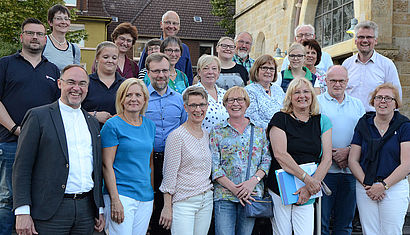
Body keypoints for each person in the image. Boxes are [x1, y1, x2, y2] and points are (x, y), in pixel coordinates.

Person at [12, 64, 104, 235]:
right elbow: (22, 167)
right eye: (71, 82)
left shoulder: (92, 123)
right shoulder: (38, 116)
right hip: (50, 211)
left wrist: (99, 208)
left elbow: (96, 168)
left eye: (82, 83)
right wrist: (22, 211)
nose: (76, 88)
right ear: (60, 83)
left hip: (86, 211)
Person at [0, 18, 60, 235]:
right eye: (30, 33)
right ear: (21, 37)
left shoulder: (53, 70)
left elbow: (57, 108)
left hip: (43, 147)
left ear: (45, 39)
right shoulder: (5, 64)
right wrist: (15, 128)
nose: (35, 37)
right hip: (10, 143)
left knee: (38, 196)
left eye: (39, 34)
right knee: (8, 200)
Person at [266, 77, 332, 235]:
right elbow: (280, 155)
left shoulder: (322, 120)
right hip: (281, 186)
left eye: (306, 91)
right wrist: (307, 179)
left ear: (312, 95)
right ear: (290, 97)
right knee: (282, 232)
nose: (302, 96)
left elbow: (327, 158)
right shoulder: (280, 119)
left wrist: (311, 186)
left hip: (308, 187)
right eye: (297, 92)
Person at [348, 83, 410, 235]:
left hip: (393, 188)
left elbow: (407, 163)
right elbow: (353, 160)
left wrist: (383, 185)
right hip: (366, 188)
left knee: (391, 232)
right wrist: (368, 185)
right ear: (373, 101)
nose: (383, 101)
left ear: (396, 103)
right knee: (369, 232)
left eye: (388, 98)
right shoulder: (364, 124)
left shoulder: (404, 126)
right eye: (379, 97)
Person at [210, 86, 271, 235]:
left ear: (247, 103)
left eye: (240, 100)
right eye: (231, 100)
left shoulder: (258, 130)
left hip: (251, 194)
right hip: (224, 195)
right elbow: (214, 164)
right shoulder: (217, 131)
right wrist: (234, 189)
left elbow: (266, 159)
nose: (235, 103)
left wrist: (252, 182)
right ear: (225, 104)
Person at [101, 78, 155, 234]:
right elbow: (106, 165)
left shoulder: (150, 125)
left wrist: (151, 192)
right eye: (128, 95)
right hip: (122, 195)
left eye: (138, 95)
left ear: (145, 99)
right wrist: (115, 200)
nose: (133, 99)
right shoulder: (112, 125)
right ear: (121, 99)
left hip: (145, 196)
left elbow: (149, 163)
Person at [317, 65, 365, 235]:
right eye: (333, 81)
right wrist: (331, 154)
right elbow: (312, 135)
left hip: (350, 172)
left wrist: (348, 152)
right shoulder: (316, 103)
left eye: (341, 81)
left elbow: (363, 135)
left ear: (347, 82)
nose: (337, 84)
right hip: (325, 172)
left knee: (345, 224)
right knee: (321, 223)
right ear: (326, 81)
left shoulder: (357, 105)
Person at [159, 86, 213, 235]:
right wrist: (167, 207)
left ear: (207, 106)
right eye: (193, 105)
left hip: (206, 200)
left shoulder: (207, 135)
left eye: (202, 105)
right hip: (184, 202)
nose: (198, 109)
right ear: (185, 107)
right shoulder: (176, 136)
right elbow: (169, 175)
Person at [144, 53, 187, 234]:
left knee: (170, 210)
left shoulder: (179, 99)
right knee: (150, 209)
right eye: (156, 71)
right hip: (146, 162)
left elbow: (185, 129)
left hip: (173, 162)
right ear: (148, 72)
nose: (161, 75)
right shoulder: (140, 98)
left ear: (171, 72)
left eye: (164, 70)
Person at [342, 20, 402, 112]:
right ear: (355, 41)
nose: (365, 40)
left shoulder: (387, 65)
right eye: (361, 37)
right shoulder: (346, 64)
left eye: (369, 37)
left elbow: (396, 96)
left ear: (375, 41)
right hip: (350, 117)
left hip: (376, 119)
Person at [138, 11, 193, 85]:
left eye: (175, 23)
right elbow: (141, 71)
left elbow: (189, 75)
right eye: (168, 22)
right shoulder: (151, 48)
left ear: (179, 27)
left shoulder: (184, 48)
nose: (171, 26)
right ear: (161, 24)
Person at [82, 41, 125, 125]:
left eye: (114, 58)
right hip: (91, 133)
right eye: (106, 57)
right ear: (97, 58)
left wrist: (121, 116)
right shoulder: (86, 82)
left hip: (118, 134)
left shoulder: (125, 84)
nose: (110, 61)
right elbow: (73, 110)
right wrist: (94, 115)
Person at [245, 54, 285, 129]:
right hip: (260, 134)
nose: (268, 71)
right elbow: (253, 119)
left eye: (271, 69)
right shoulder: (249, 91)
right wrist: (274, 130)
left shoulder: (278, 89)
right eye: (264, 68)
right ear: (256, 70)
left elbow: (285, 111)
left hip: (282, 132)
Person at [193, 54, 228, 131]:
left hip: (223, 141)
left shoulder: (225, 94)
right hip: (201, 140)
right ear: (199, 72)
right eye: (206, 68)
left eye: (214, 69)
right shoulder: (191, 93)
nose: (210, 72)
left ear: (218, 72)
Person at [43, 4, 81, 71]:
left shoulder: (74, 49)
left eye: (66, 19)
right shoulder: (43, 42)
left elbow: (75, 74)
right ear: (50, 22)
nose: (63, 22)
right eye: (59, 18)